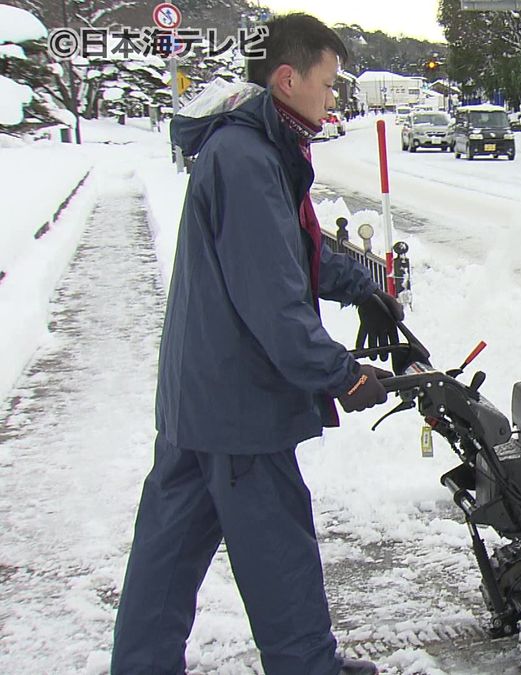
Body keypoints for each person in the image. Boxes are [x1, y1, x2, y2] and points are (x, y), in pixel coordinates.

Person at [111, 13, 403, 675]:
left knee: (167, 553)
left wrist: (362, 286)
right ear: (287, 77)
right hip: (240, 405)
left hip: (200, 394)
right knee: (278, 546)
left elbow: (287, 249)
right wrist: (340, 373)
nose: (336, 97)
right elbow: (272, 299)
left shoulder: (253, 144)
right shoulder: (245, 159)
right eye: (328, 84)